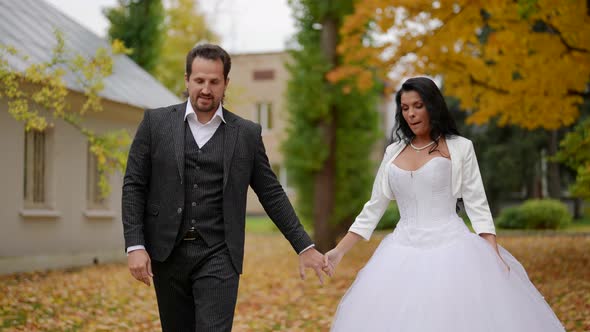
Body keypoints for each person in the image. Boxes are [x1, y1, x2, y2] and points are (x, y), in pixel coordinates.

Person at [323, 77, 565, 331]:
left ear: (433, 106)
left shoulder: (460, 148)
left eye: (418, 106)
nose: (411, 114)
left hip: (452, 252)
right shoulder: (392, 152)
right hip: (400, 254)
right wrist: (339, 251)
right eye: (405, 108)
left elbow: (477, 204)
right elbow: (373, 208)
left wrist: (492, 255)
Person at [122, 43, 330, 332]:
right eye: (199, 80)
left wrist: (304, 245)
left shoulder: (246, 134)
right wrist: (135, 244)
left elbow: (271, 192)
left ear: (225, 83)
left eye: (214, 82)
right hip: (167, 253)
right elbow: (134, 184)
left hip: (219, 254)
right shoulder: (155, 124)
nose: (206, 89)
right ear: (187, 80)